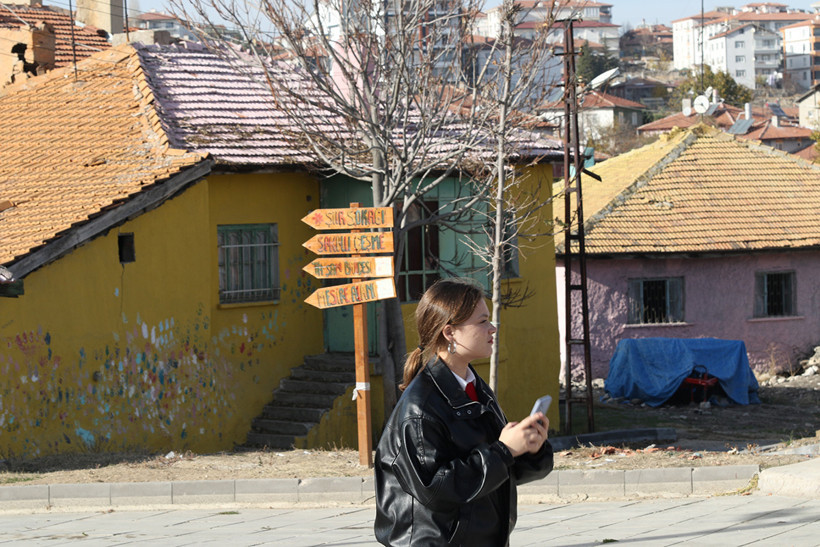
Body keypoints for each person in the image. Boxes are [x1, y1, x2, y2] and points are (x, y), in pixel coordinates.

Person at [374, 278, 554, 546]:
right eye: (482, 321)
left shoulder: (475, 389)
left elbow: (497, 474)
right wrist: (503, 451)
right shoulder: (420, 407)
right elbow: (435, 489)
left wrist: (529, 448)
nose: (492, 328)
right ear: (450, 332)